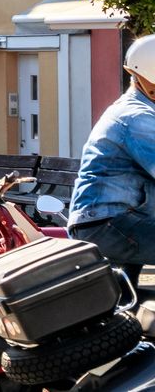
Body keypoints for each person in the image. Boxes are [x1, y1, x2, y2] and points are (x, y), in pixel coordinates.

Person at [70, 36, 155, 272]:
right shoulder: (136, 117)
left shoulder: (142, 111)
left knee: (126, 301)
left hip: (119, 221)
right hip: (108, 225)